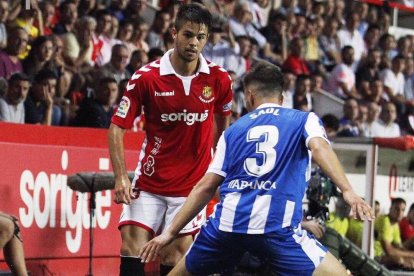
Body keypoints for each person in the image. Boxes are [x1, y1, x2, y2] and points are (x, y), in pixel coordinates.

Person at [138, 62, 375, 275]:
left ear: (250, 97)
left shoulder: (232, 131)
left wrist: (169, 232)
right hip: (277, 230)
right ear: (282, 97)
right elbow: (320, 148)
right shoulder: (304, 119)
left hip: (226, 230)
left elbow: (205, 187)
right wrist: (347, 190)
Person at [108, 3, 233, 276]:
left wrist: (217, 173)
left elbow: (223, 130)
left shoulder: (219, 79)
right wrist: (120, 177)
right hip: (149, 182)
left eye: (200, 37)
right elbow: (117, 127)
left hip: (191, 188)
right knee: (131, 249)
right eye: (188, 35)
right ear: (174, 33)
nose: (193, 42)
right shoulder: (146, 78)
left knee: (174, 255)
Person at [375, 198, 414, 270]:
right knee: (400, 260)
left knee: (411, 262)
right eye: (396, 209)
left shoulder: (395, 224)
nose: (399, 213)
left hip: (384, 255)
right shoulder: (385, 221)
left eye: (403, 210)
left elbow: (399, 247)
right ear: (390, 209)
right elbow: (389, 251)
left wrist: (410, 256)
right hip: (373, 256)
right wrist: (411, 254)